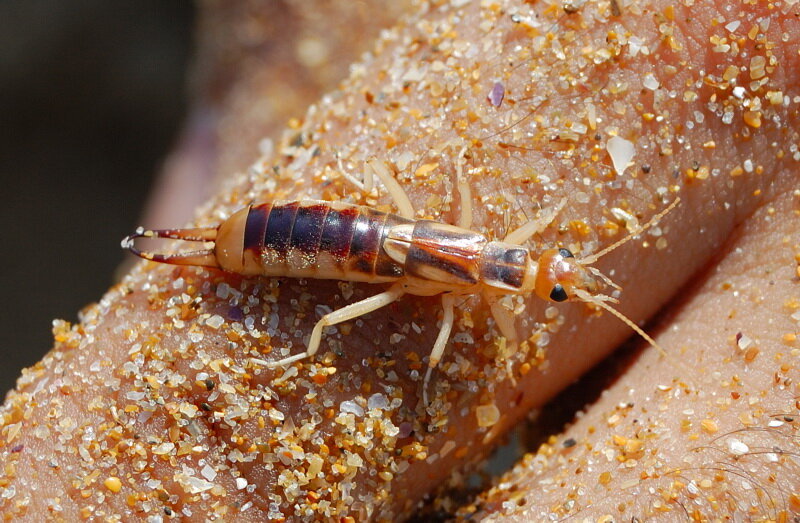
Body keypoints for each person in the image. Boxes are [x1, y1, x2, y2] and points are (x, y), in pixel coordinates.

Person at [2, 0, 799, 520]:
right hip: (317, 241)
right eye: (551, 276)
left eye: (553, 282)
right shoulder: (479, 295)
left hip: (315, 234)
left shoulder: (485, 263)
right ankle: (188, 257)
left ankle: (182, 253)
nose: (552, 277)